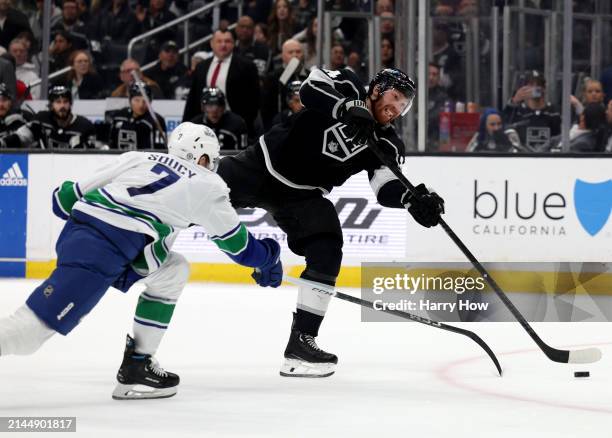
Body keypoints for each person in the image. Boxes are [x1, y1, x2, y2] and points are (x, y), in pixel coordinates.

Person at [0, 122, 283, 401]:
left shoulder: (141, 157)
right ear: (203, 157)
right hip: (104, 248)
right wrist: (270, 257)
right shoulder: (209, 184)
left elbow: (63, 200)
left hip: (93, 238)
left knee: (173, 271)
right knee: (28, 333)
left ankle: (138, 363)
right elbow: (242, 249)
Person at [217, 67, 444, 377]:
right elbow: (310, 88)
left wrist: (412, 200)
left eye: (404, 105)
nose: (397, 109)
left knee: (327, 247)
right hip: (259, 166)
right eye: (395, 98)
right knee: (197, 198)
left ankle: (301, 343)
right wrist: (347, 108)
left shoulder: (386, 142)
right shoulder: (347, 84)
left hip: (302, 197)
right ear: (377, 89)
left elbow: (385, 186)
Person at [182, 29, 260, 137]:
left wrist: (246, 123)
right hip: (204, 125)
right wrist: (186, 125)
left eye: (227, 41)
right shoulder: (201, 67)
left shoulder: (246, 66)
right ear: (212, 44)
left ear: (233, 44)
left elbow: (254, 99)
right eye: (219, 41)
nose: (223, 45)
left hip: (235, 125)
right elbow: (193, 98)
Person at [2, 85, 95, 149]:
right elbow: (21, 137)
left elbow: (94, 152)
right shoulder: (41, 120)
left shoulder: (84, 125)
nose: (62, 106)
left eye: (65, 102)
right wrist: (2, 143)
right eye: (58, 102)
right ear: (50, 105)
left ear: (71, 104)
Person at [503, 71, 561, 151]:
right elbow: (503, 126)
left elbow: (559, 139)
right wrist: (514, 101)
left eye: (539, 85)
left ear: (544, 88)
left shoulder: (554, 112)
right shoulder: (518, 111)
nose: (535, 88)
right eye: (531, 85)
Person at [262, 38, 309, 129]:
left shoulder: (310, 76)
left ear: (303, 55)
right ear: (283, 56)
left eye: (298, 52)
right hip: (282, 125)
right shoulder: (273, 78)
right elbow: (266, 109)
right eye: (290, 52)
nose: (295, 55)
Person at [105, 81, 166, 150]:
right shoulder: (119, 116)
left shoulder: (156, 120)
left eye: (145, 101)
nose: (141, 105)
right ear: (130, 100)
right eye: (137, 100)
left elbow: (160, 150)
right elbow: (111, 143)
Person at [234, 15, 270, 80]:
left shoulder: (263, 49)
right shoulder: (230, 48)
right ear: (236, 29)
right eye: (242, 27)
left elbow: (259, 75)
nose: (245, 30)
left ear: (253, 30)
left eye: (248, 27)